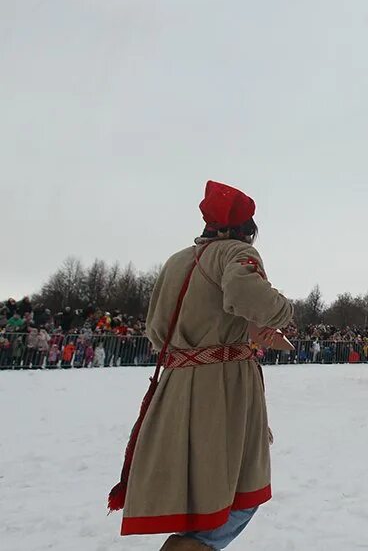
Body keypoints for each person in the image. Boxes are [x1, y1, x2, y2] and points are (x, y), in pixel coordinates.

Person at [108, 181, 293, 550]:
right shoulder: (237, 253)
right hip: (221, 388)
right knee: (239, 495)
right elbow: (246, 294)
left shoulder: (177, 261)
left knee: (204, 495)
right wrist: (284, 310)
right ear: (247, 228)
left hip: (177, 386)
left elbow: (156, 328)